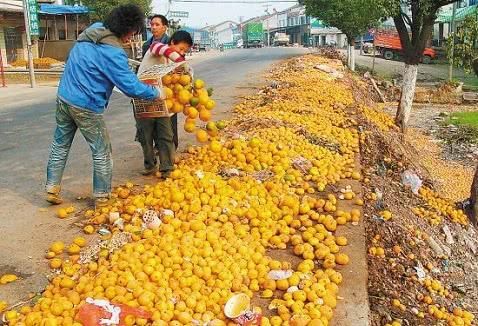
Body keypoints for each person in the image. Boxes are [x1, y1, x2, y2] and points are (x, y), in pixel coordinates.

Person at [45, 4, 163, 207]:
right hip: (86, 105)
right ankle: (102, 197)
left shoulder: (93, 31)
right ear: (125, 28)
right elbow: (130, 87)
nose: (130, 38)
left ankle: (51, 188)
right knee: (101, 150)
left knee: (60, 144)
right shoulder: (112, 52)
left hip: (64, 97)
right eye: (132, 33)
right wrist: (156, 93)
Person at [136, 30, 193, 178]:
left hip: (162, 100)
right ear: (172, 42)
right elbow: (160, 48)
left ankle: (167, 168)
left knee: (166, 133)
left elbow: (178, 80)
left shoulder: (172, 62)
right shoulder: (156, 48)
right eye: (180, 48)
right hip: (143, 98)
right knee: (145, 135)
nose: (181, 53)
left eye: (184, 51)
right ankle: (150, 165)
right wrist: (180, 60)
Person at [138, 14, 180, 150]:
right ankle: (158, 147)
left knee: (169, 119)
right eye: (152, 24)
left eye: (157, 24)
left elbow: (178, 62)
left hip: (168, 85)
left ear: (165, 27)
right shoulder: (146, 45)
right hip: (152, 86)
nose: (153, 27)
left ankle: (172, 147)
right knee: (154, 116)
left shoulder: (171, 43)